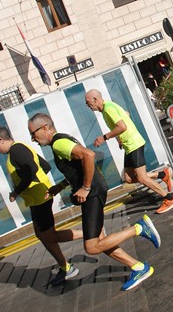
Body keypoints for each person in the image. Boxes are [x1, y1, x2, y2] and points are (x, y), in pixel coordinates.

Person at [27, 113, 161, 292]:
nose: (33, 139)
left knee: (91, 246)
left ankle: (138, 228)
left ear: (44, 128)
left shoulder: (58, 143)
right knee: (100, 242)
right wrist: (60, 186)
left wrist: (86, 187)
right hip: (94, 192)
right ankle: (138, 267)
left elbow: (88, 156)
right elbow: (77, 167)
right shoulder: (60, 141)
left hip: (93, 193)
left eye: (33, 134)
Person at [0, 127, 82, 286]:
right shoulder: (19, 149)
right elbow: (44, 166)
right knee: (41, 234)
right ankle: (64, 266)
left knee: (49, 236)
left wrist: (16, 192)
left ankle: (91, 235)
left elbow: (32, 170)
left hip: (40, 199)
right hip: (37, 198)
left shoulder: (16, 151)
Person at [84, 89, 173, 214]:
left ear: (95, 99)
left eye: (88, 102)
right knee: (128, 178)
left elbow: (122, 126)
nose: (87, 105)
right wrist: (120, 138)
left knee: (142, 178)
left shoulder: (108, 109)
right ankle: (163, 175)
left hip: (134, 144)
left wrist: (104, 137)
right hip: (129, 145)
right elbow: (126, 115)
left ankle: (169, 199)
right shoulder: (110, 105)